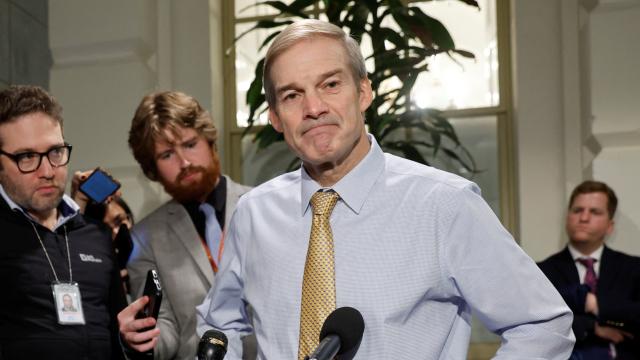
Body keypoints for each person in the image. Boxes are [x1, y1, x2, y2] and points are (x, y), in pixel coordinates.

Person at [196, 19, 575, 359]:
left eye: (330, 84)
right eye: (292, 95)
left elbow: (542, 325)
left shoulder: (444, 205)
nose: (313, 107)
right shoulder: (253, 213)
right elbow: (219, 325)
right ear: (275, 118)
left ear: (363, 93)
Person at [116, 91, 254, 360]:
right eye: (167, 154)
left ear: (210, 141)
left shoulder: (263, 206)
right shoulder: (145, 238)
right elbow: (165, 331)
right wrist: (141, 339)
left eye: (190, 144)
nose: (184, 162)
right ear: (152, 169)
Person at [0, 85, 127, 359]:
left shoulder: (96, 234)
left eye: (56, 152)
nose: (47, 172)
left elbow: (118, 336)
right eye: (27, 157)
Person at [539, 180, 640, 359]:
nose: (584, 218)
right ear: (567, 217)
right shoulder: (542, 272)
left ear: (610, 226)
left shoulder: (633, 268)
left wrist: (594, 304)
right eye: (577, 210)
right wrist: (592, 327)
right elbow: (541, 324)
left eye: (595, 212)